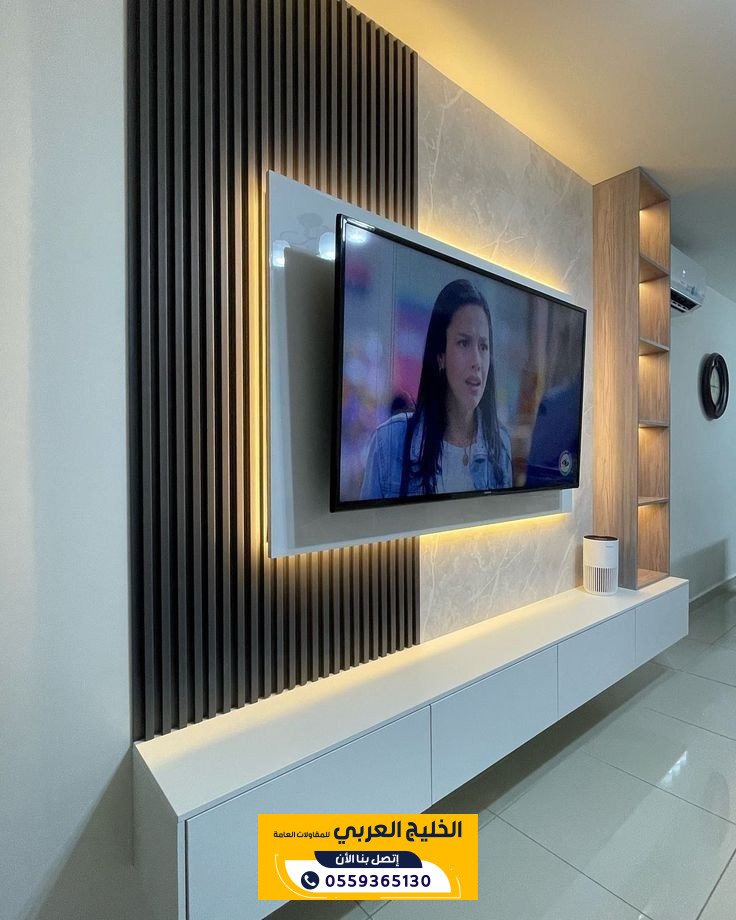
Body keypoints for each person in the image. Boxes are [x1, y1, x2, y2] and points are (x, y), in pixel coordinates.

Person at [360, 278, 512, 499]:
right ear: (440, 355)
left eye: (483, 346)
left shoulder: (500, 445)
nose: (477, 361)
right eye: (464, 343)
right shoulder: (390, 442)